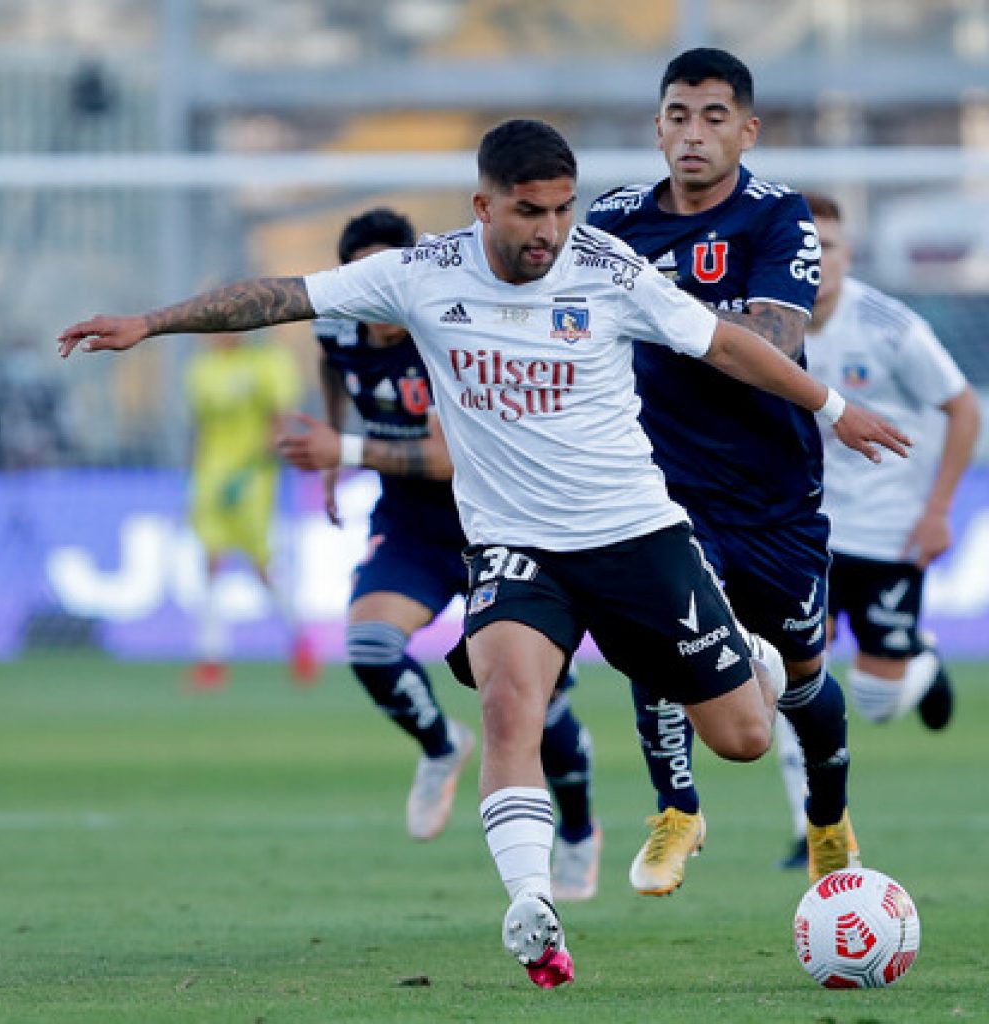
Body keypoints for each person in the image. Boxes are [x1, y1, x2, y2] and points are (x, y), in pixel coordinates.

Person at [58, 118, 908, 989]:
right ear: (484, 205)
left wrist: (836, 410)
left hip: (635, 538)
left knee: (742, 738)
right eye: (529, 210)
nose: (549, 229)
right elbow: (284, 294)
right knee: (511, 704)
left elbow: (727, 343)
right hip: (514, 547)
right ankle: (532, 905)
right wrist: (150, 324)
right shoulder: (421, 274)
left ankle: (747, 659)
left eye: (563, 210)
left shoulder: (609, 271)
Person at [587, 47, 859, 892]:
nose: (693, 134)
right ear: (657, 126)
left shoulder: (779, 217)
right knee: (658, 645)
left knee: (804, 681)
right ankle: (675, 810)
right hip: (661, 484)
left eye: (712, 118)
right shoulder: (616, 221)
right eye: (677, 115)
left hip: (775, 493)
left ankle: (826, 818)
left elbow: (774, 339)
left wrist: (660, 307)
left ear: (748, 130)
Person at [276, 208, 601, 893]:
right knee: (368, 645)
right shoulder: (335, 324)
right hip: (414, 528)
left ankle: (577, 830)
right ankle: (440, 745)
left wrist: (347, 450)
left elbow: (450, 458)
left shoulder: (446, 329)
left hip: (497, 526)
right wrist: (335, 451)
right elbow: (334, 366)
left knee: (536, 711)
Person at [773, 192, 981, 867]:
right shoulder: (767, 322)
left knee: (877, 701)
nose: (818, 260)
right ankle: (813, 830)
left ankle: (918, 660)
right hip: (803, 532)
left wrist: (936, 511)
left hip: (889, 532)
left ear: (846, 254)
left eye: (828, 247)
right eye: (806, 248)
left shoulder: (890, 327)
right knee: (788, 676)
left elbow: (962, 410)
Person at [185, 331, 319, 689]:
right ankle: (211, 657)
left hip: (253, 479)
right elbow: (201, 427)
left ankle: (300, 639)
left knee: (262, 566)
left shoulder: (267, 363)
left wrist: (251, 468)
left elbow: (279, 421)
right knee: (210, 560)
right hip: (211, 476)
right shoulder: (202, 368)